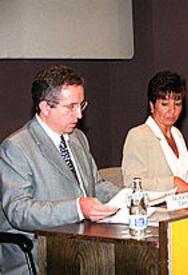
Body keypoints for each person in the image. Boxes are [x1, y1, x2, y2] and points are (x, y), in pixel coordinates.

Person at [0, 65, 120, 275]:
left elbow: (95, 185)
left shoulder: (78, 138)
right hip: (39, 254)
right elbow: (19, 211)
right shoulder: (16, 147)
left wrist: (130, 198)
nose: (80, 114)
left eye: (81, 105)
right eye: (71, 106)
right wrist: (76, 208)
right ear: (45, 107)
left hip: (84, 245)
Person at [122, 71, 188, 193]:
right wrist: (171, 183)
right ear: (152, 106)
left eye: (177, 104)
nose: (172, 111)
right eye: (165, 104)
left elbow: (184, 180)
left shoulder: (177, 134)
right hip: (159, 210)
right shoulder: (138, 135)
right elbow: (131, 183)